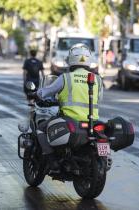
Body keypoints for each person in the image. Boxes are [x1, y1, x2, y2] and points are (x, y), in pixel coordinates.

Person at [29, 43, 103, 171]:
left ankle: (51, 158)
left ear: (71, 60)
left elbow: (47, 91)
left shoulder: (66, 78)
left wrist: (36, 93)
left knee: (41, 129)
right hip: (93, 122)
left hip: (69, 119)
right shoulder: (98, 79)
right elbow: (99, 100)